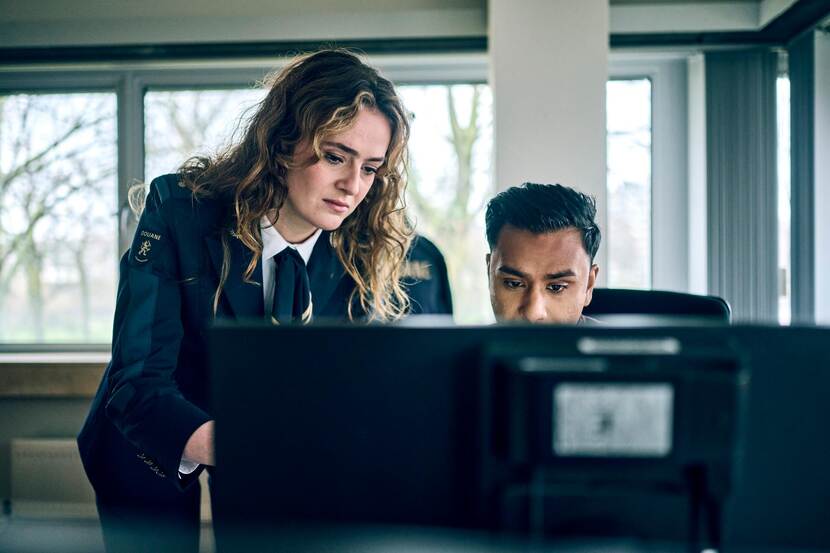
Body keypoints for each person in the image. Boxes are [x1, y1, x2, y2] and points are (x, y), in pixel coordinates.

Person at [77, 49, 413, 552]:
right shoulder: (179, 211)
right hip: (148, 439)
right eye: (335, 156)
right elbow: (137, 383)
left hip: (274, 452)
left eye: (370, 168)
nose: (353, 186)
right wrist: (254, 447)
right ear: (282, 142)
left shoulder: (360, 245)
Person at [484, 182, 601, 323]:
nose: (533, 313)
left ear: (589, 285)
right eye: (513, 283)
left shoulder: (627, 345)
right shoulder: (457, 345)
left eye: (556, 287)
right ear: (489, 272)